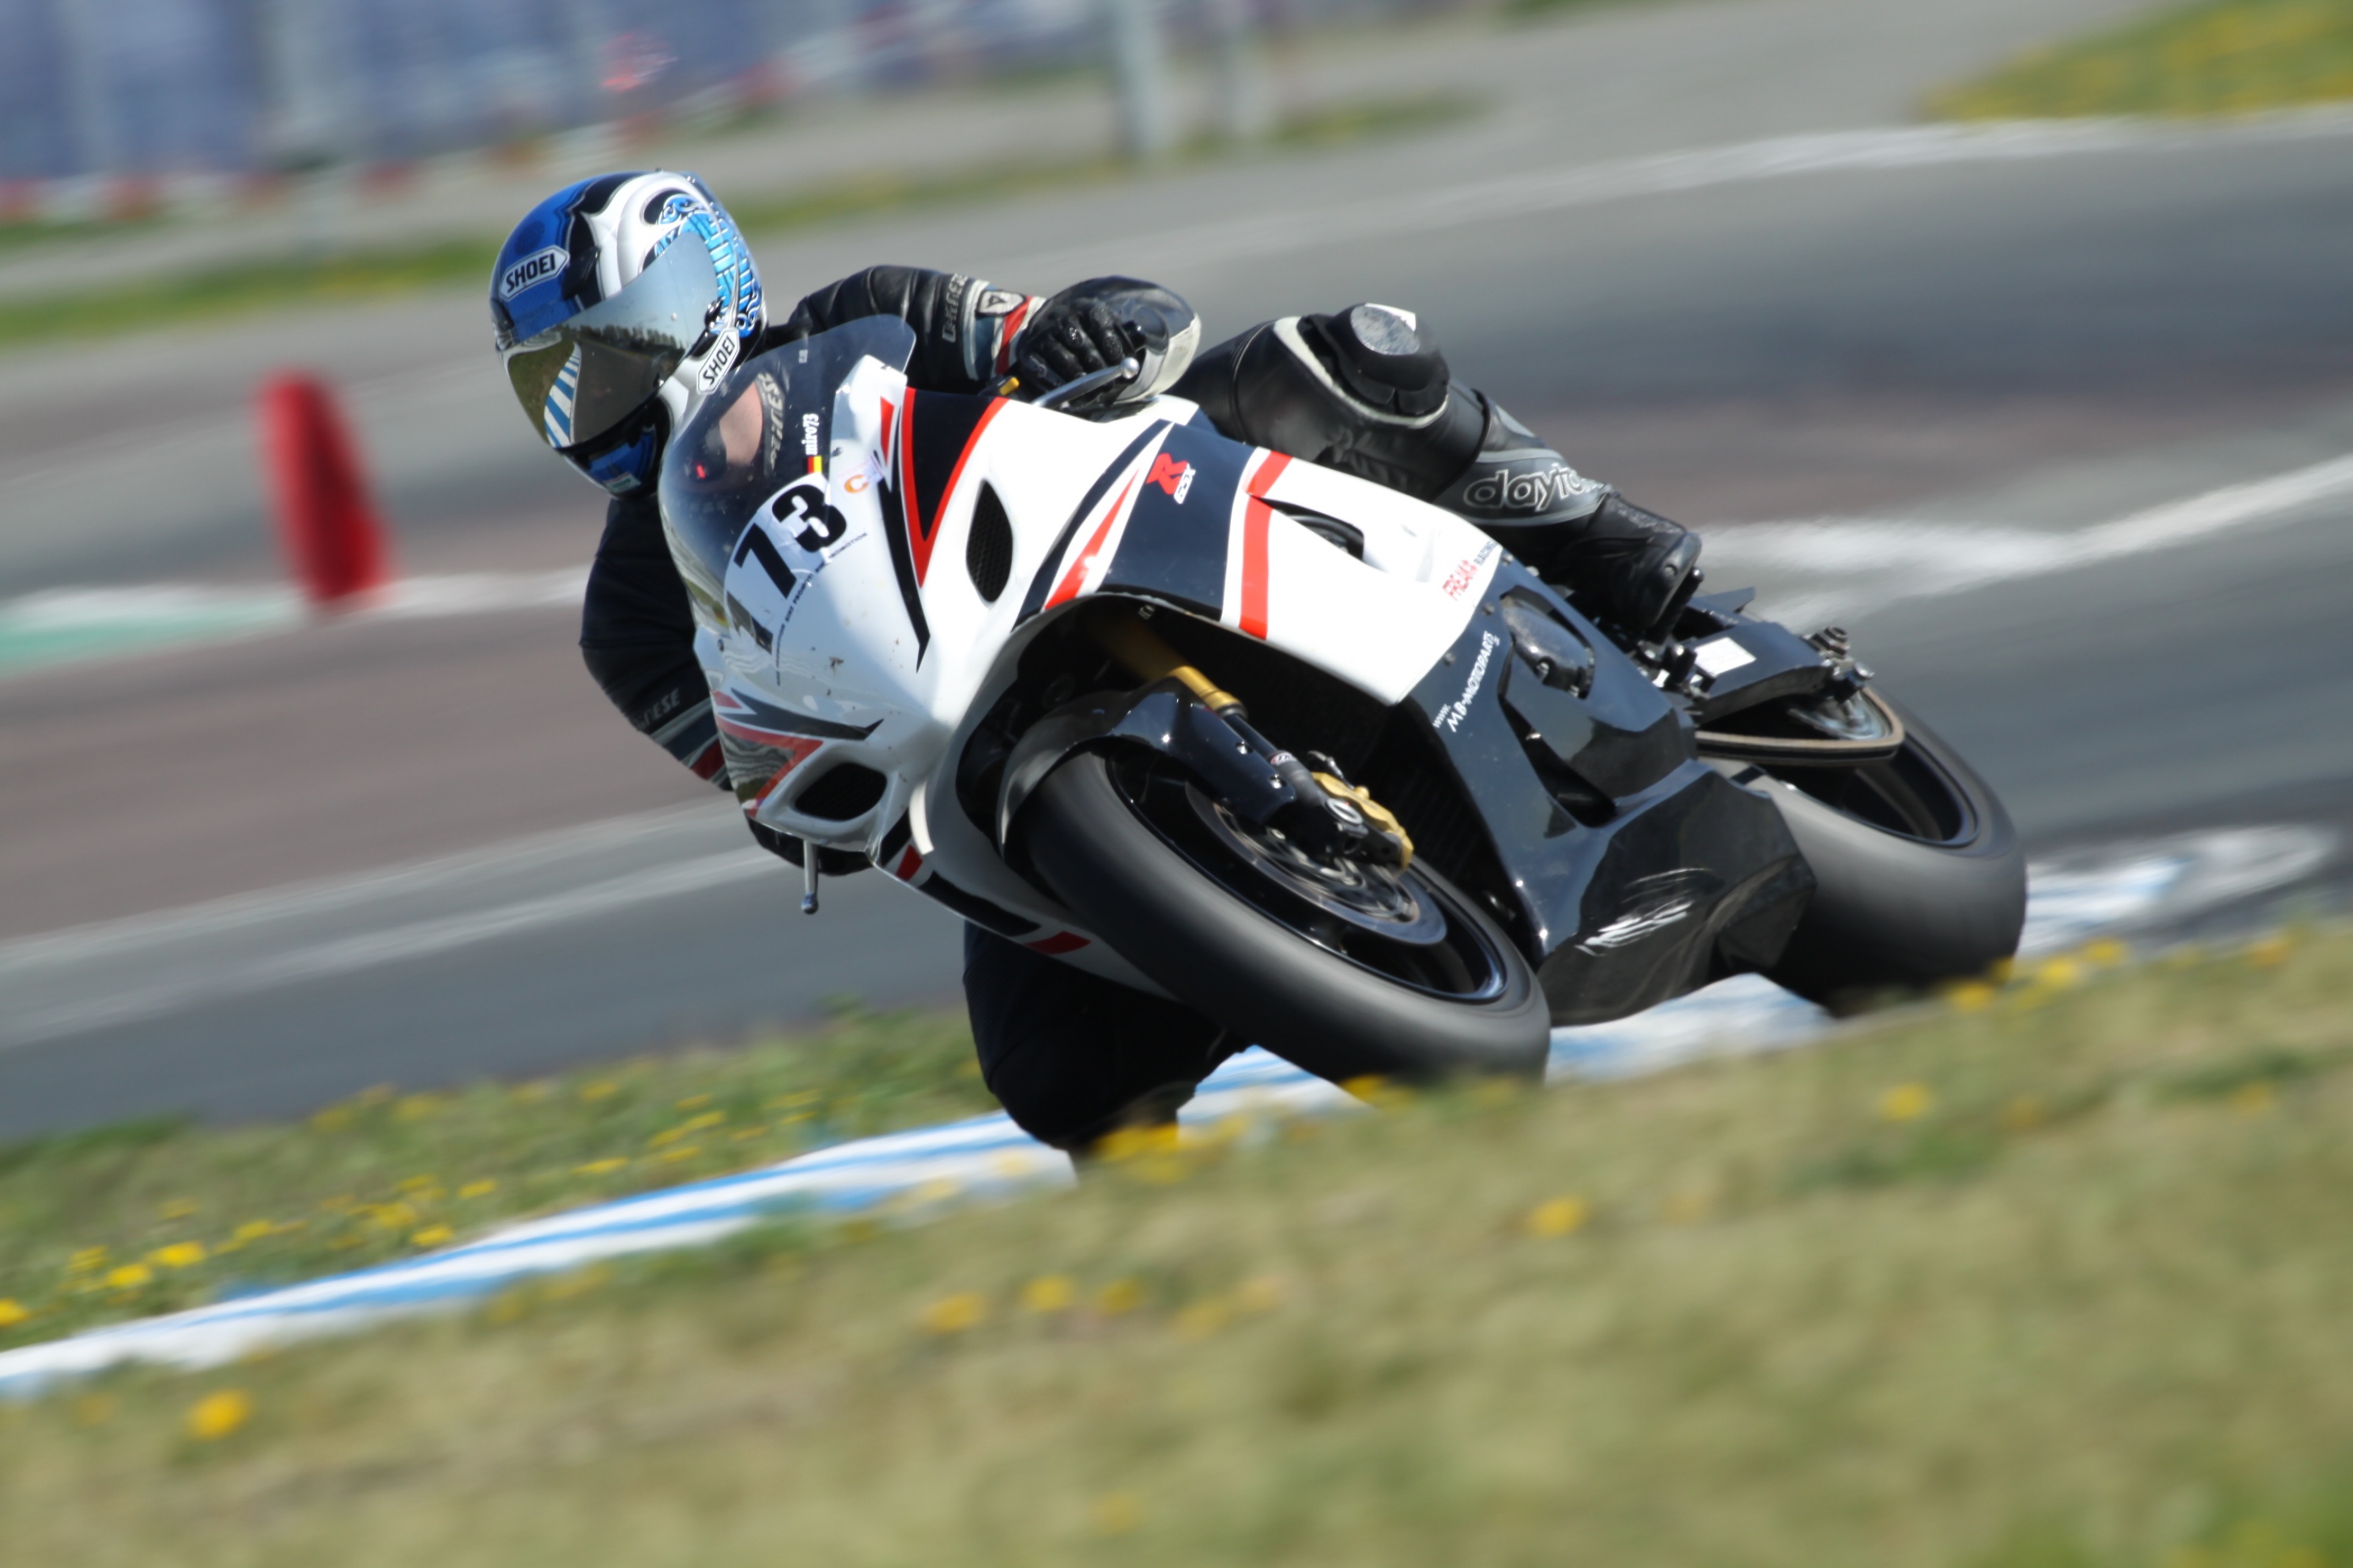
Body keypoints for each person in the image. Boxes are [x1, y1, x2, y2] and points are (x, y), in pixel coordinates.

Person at [492, 170, 1704, 1154]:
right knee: (1052, 1075)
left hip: (1129, 558)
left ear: (696, 299)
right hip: (979, 766)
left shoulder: (867, 319)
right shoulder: (629, 622)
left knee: (1322, 361)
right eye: (558, 384)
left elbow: (1044, 332)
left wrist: (1089, 328)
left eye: (611, 354)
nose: (594, 403)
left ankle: (1596, 536)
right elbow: (759, 777)